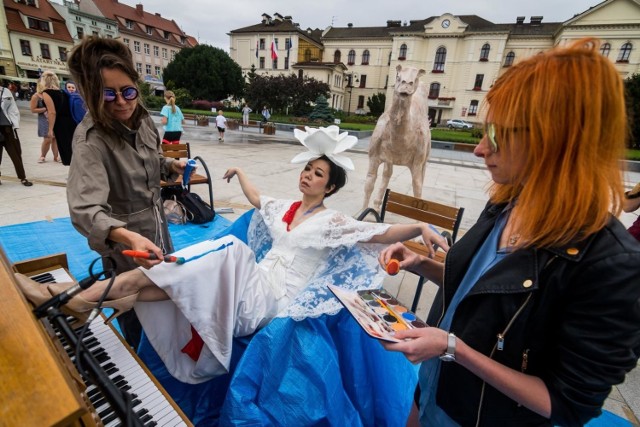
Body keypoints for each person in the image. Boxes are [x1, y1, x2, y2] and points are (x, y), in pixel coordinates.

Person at [15, 125, 448, 384]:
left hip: (267, 304)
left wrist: (422, 227)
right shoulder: (285, 209)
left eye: (316, 174)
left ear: (330, 187)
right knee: (165, 276)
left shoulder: (334, 224)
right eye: (306, 169)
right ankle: (66, 296)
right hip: (245, 290)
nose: (307, 176)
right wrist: (241, 172)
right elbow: (259, 199)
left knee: (229, 251)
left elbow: (383, 230)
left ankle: (64, 296)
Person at [378, 38, 640, 426]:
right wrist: (423, 265)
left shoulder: (611, 265)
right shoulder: (505, 203)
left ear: (554, 140)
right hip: (433, 392)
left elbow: (567, 404)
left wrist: (454, 349)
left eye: (497, 135)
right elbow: (484, 289)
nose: (479, 149)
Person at [64, 36, 189, 350]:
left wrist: (170, 166)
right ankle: (142, 368)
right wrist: (129, 237)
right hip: (126, 252)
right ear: (92, 95)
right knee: (135, 315)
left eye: (128, 91)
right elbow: (86, 211)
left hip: (158, 233)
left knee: (166, 304)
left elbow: (151, 161)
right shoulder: (91, 141)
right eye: (108, 94)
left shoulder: (143, 119)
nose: (121, 102)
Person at [0, 80, 32, 186]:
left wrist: (14, 125)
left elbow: (13, 109)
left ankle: (22, 177)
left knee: (16, 154)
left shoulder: (5, 92)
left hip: (7, 129)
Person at [41, 70, 77, 165]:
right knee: (72, 149)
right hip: (70, 122)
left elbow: (52, 112)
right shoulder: (62, 92)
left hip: (61, 124)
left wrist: (50, 129)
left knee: (67, 150)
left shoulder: (47, 93)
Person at [30, 78, 60, 163]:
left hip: (54, 118)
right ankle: (42, 156)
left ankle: (56, 156)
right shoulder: (36, 96)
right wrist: (46, 109)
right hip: (44, 119)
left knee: (55, 139)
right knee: (47, 139)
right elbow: (33, 110)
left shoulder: (53, 94)